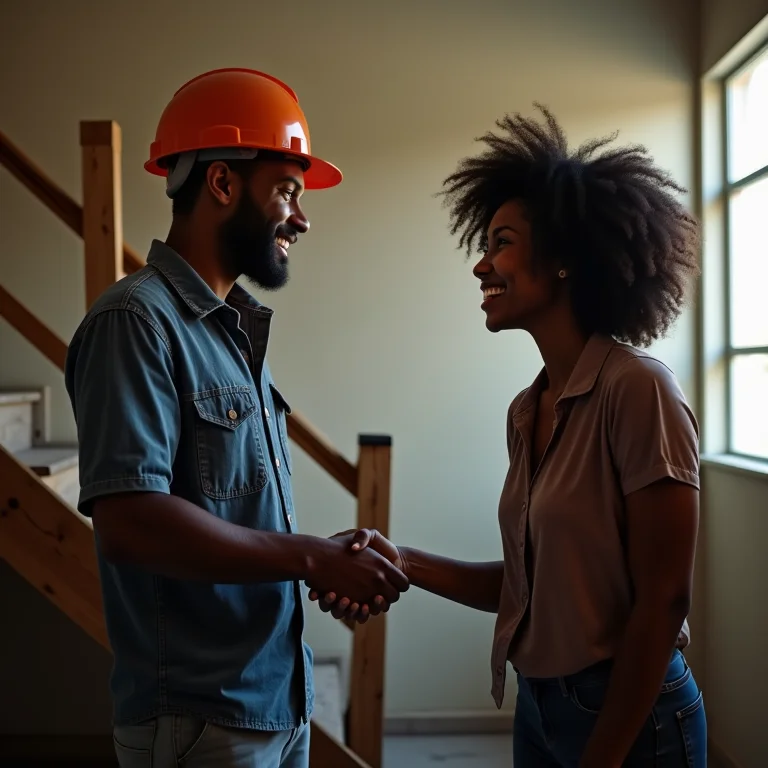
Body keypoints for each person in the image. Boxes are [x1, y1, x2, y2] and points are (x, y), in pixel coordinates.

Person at [311, 106, 706, 766]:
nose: (480, 265)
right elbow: (536, 585)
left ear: (562, 260)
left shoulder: (639, 391)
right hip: (539, 705)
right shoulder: (528, 409)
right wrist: (398, 559)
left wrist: (604, 754)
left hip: (632, 717)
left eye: (501, 242)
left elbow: (665, 600)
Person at [64, 68, 407, 768]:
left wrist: (318, 559)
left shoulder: (229, 332)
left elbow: (229, 518)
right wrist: (309, 555)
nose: (302, 218)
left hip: (272, 701)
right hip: (200, 720)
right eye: (287, 191)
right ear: (221, 183)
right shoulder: (135, 322)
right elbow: (130, 522)